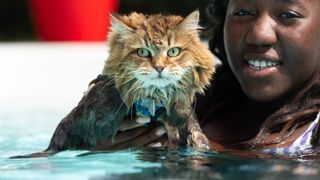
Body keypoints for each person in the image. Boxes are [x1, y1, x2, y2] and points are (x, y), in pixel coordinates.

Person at [98, 0, 320, 157]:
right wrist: (98, 146)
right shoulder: (198, 101)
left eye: (288, 15)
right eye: (243, 12)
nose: (259, 35)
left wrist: (201, 151)